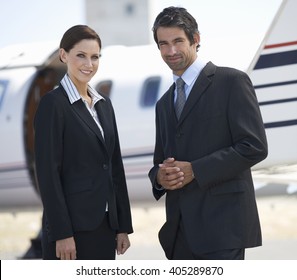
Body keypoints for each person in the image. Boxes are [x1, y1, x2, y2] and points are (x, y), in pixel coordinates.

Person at [148, 7, 268, 260]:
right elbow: (160, 160)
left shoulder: (231, 82)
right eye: (163, 44)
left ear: (196, 39)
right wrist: (159, 177)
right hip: (179, 233)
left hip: (223, 228)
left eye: (178, 41)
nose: (170, 51)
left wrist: (196, 170)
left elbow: (254, 146)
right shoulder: (163, 104)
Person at [34, 25, 133, 260]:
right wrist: (62, 233)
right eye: (81, 55)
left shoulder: (104, 104)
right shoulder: (53, 104)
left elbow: (114, 167)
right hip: (71, 230)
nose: (89, 64)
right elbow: (48, 174)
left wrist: (122, 226)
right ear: (64, 55)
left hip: (104, 226)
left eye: (95, 57)